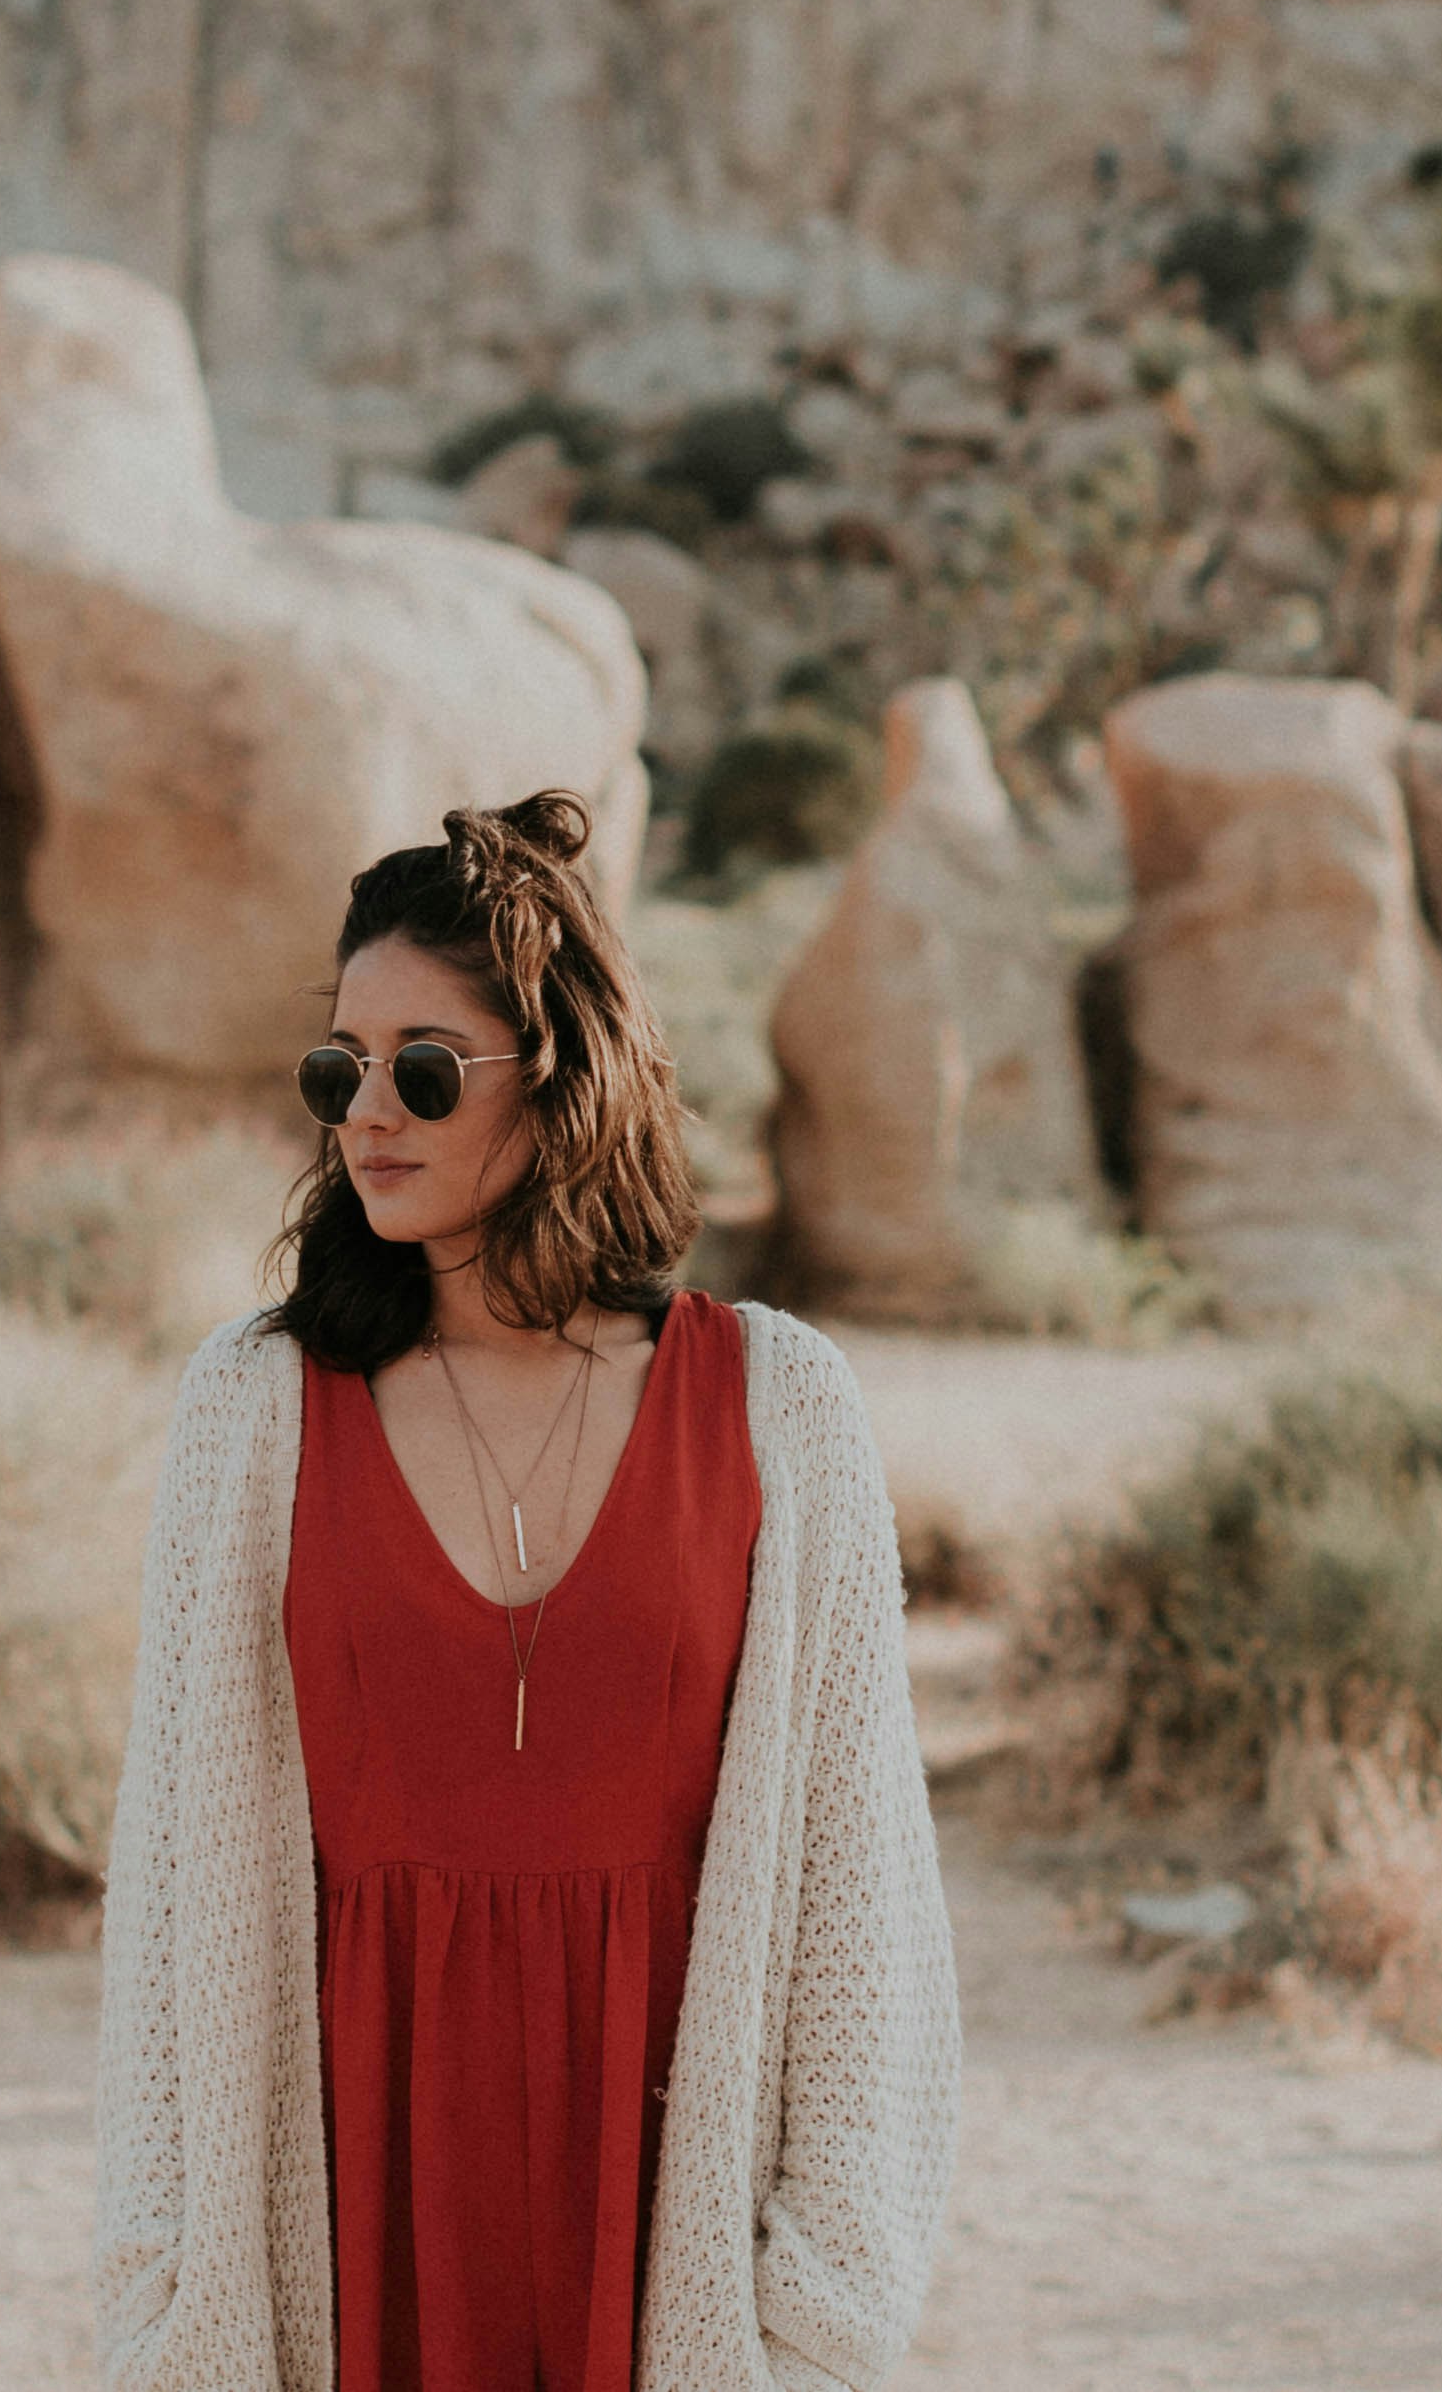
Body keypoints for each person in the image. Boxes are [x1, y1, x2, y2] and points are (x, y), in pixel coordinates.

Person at [94, 788, 958, 2392]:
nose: (368, 1115)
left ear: (562, 1077)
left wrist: (815, 2313)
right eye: (336, 1071)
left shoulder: (780, 1405)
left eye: (424, 1069)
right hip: (348, 2213)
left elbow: (864, 1907)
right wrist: (169, 2306)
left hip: (663, 2231)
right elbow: (169, 1902)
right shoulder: (257, 1408)